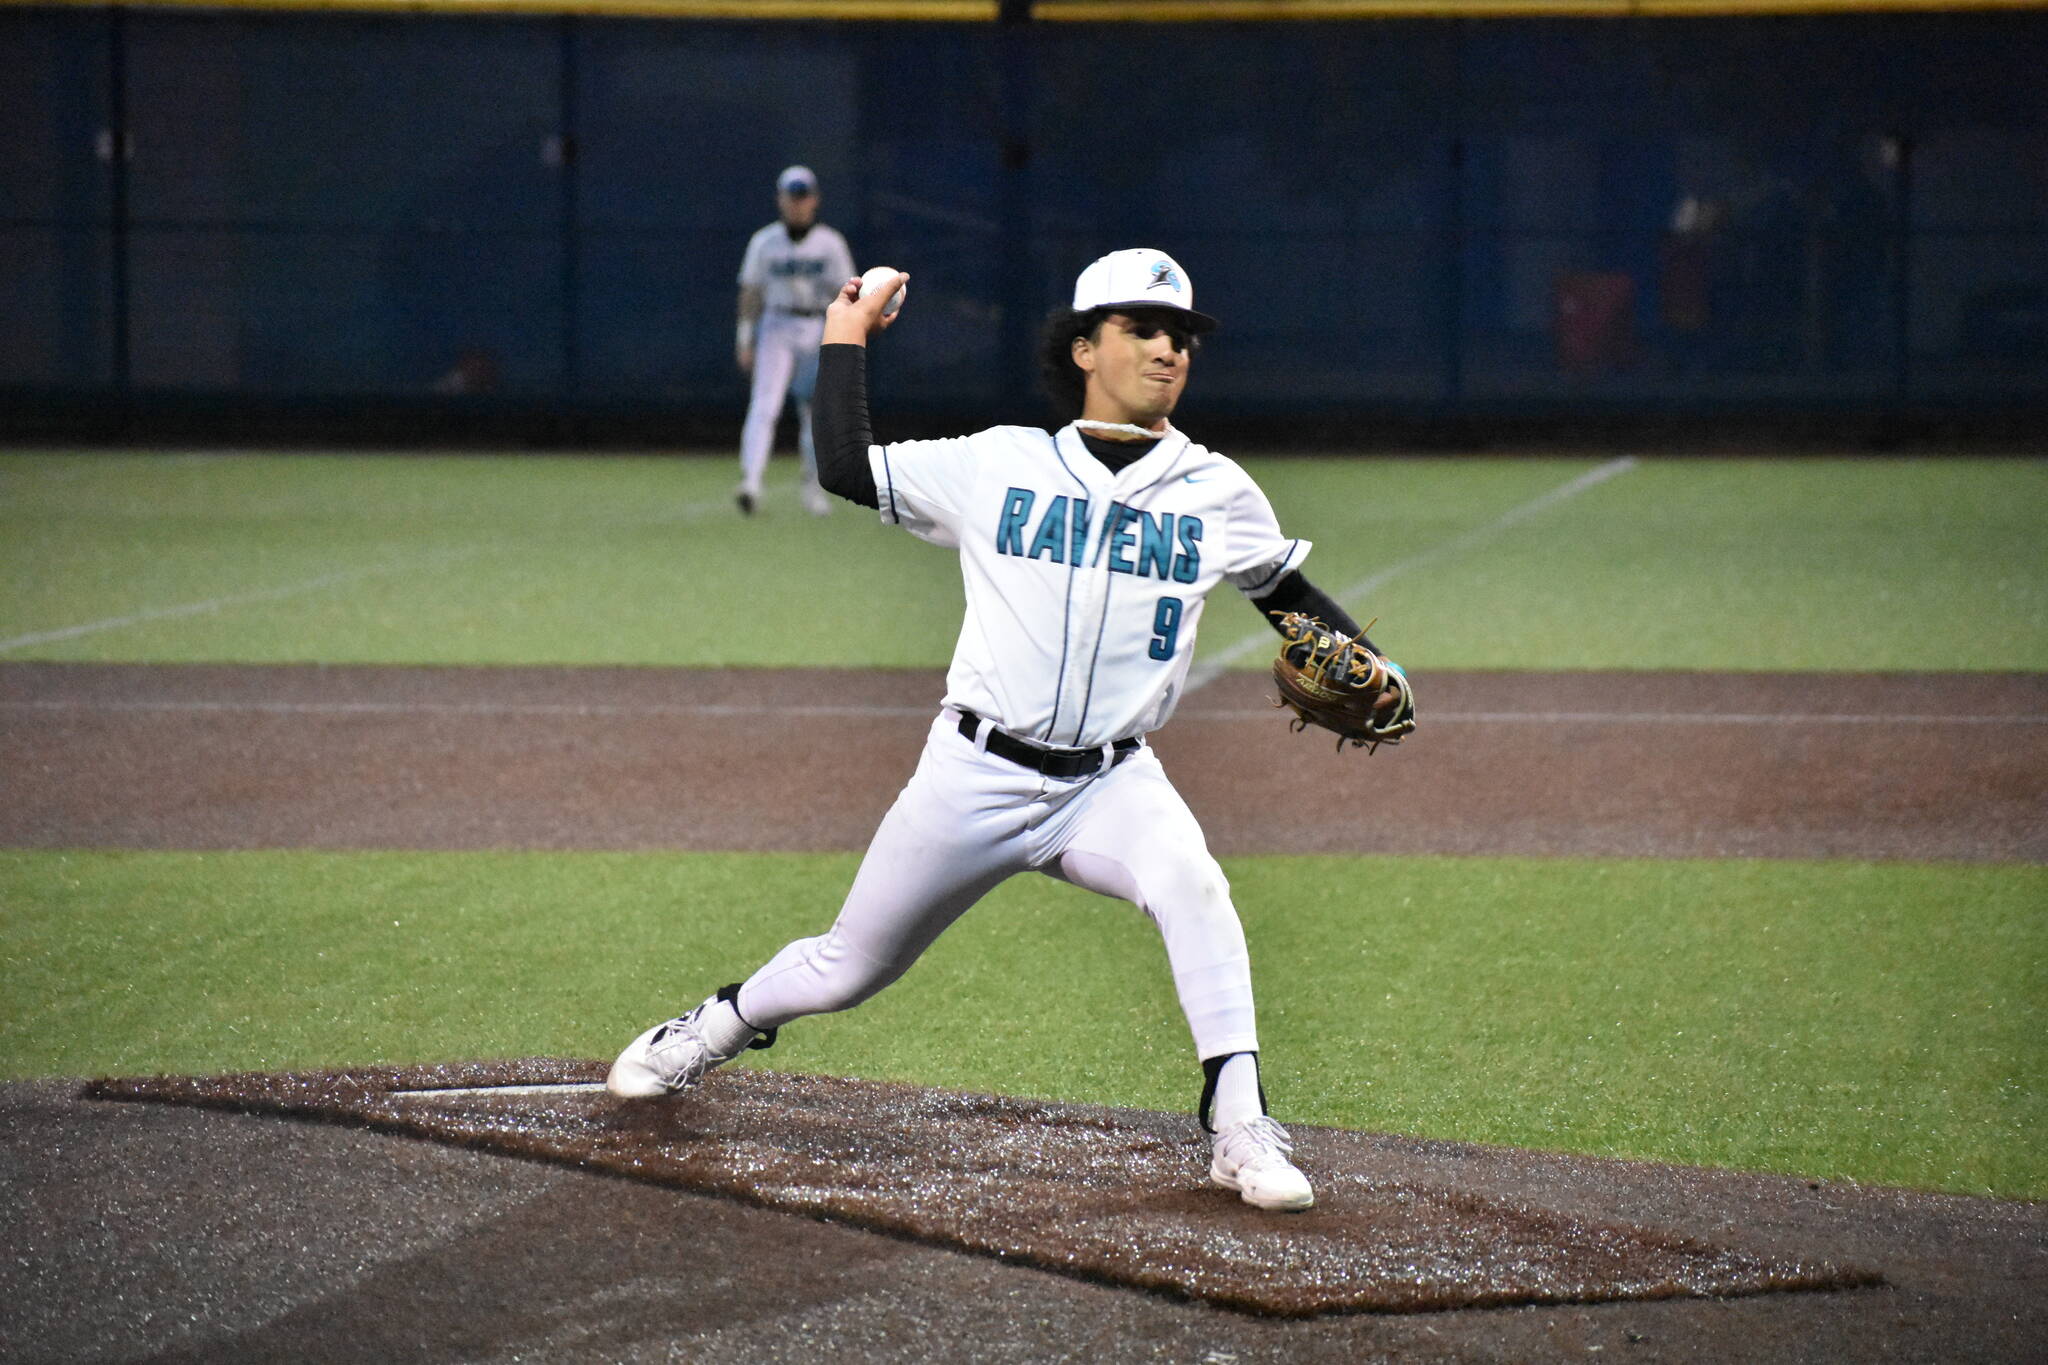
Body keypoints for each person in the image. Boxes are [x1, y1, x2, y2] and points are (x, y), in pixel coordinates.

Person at [610, 248, 1413, 1212]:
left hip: (1110, 783)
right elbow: (842, 465)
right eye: (1143, 329)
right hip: (972, 774)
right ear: (1084, 346)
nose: (1169, 349)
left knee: (1194, 883)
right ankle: (714, 1027)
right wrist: (846, 333)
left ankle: (1238, 1123)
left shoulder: (1218, 490)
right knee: (845, 967)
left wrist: (1376, 663)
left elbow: (1289, 602)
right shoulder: (999, 463)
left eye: (1182, 336)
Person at [733, 165, 856, 516]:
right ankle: (751, 482)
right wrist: (744, 336)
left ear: (814, 200)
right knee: (765, 404)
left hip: (817, 324)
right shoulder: (764, 241)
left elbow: (846, 291)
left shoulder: (830, 243)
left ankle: (814, 489)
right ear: (781, 200)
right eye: (791, 197)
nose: (797, 204)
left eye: (803, 197)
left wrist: (843, 336)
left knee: (815, 411)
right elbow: (751, 291)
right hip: (777, 323)